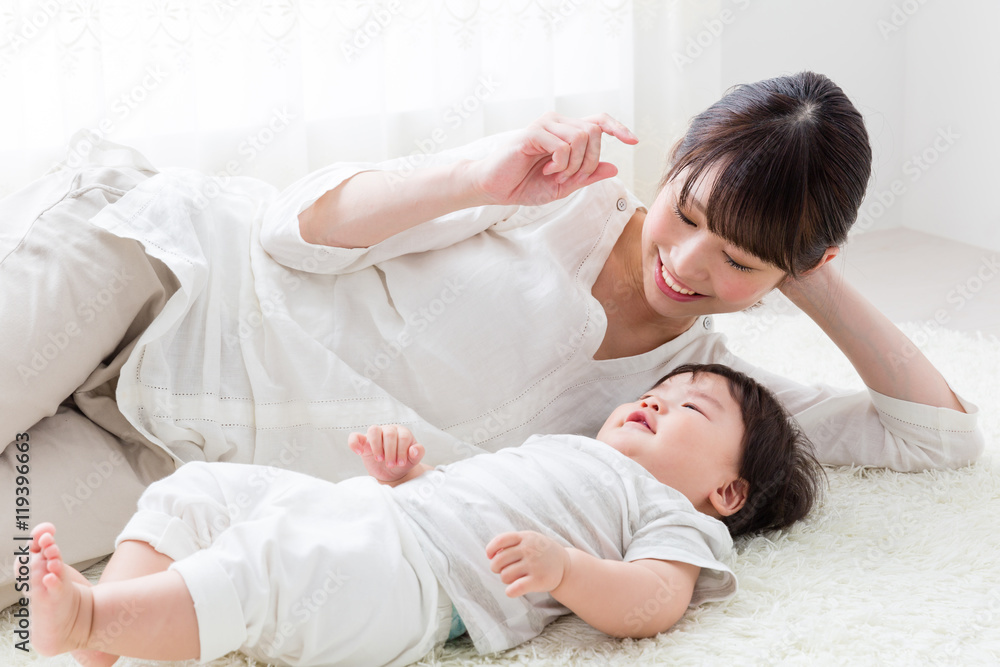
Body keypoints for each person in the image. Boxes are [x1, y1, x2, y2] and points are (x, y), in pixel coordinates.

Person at [0, 71, 984, 609]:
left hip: (159, 455)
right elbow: (282, 233)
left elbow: (933, 438)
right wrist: (476, 173)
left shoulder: (687, 403)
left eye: (740, 262)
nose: (686, 264)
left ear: (793, 270)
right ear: (676, 159)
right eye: (689, 212)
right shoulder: (552, 195)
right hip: (155, 277)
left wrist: (809, 268)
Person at [28, 363, 823, 667]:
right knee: (201, 490)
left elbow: (659, 598)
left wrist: (569, 571)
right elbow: (471, 495)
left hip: (420, 586)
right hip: (379, 514)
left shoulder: (669, 511)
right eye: (658, 388)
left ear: (726, 491)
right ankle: (100, 652)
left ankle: (95, 615)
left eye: (692, 407)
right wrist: (413, 475)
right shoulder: (569, 450)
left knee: (272, 568)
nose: (657, 398)